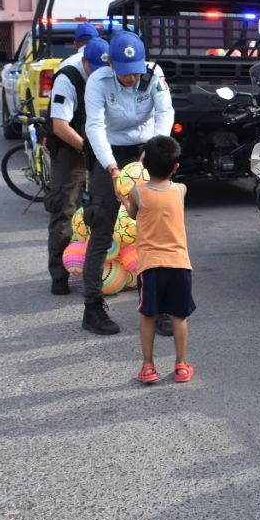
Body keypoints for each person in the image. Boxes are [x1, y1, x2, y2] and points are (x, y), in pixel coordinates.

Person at [81, 30, 173, 336]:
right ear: (111, 65)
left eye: (135, 73)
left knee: (151, 228)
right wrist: (110, 167)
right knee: (102, 225)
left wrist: (155, 148)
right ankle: (92, 307)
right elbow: (94, 126)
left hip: (145, 149)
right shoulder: (98, 81)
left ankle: (156, 307)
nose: (131, 80)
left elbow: (165, 111)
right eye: (124, 74)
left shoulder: (153, 74)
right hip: (109, 151)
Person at [120, 136, 195, 385]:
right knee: (178, 316)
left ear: (144, 163)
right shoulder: (181, 190)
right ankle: (181, 365)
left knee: (147, 315)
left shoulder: (137, 192)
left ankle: (148, 366)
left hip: (150, 266)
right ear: (175, 167)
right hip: (179, 264)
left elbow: (132, 213)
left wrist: (125, 201)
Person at [45, 36, 106, 295]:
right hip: (71, 152)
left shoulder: (106, 76)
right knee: (65, 212)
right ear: (84, 62)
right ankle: (59, 275)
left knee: (102, 213)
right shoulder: (67, 78)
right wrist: (87, 149)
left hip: (98, 149)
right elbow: (60, 126)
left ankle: (98, 271)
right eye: (94, 68)